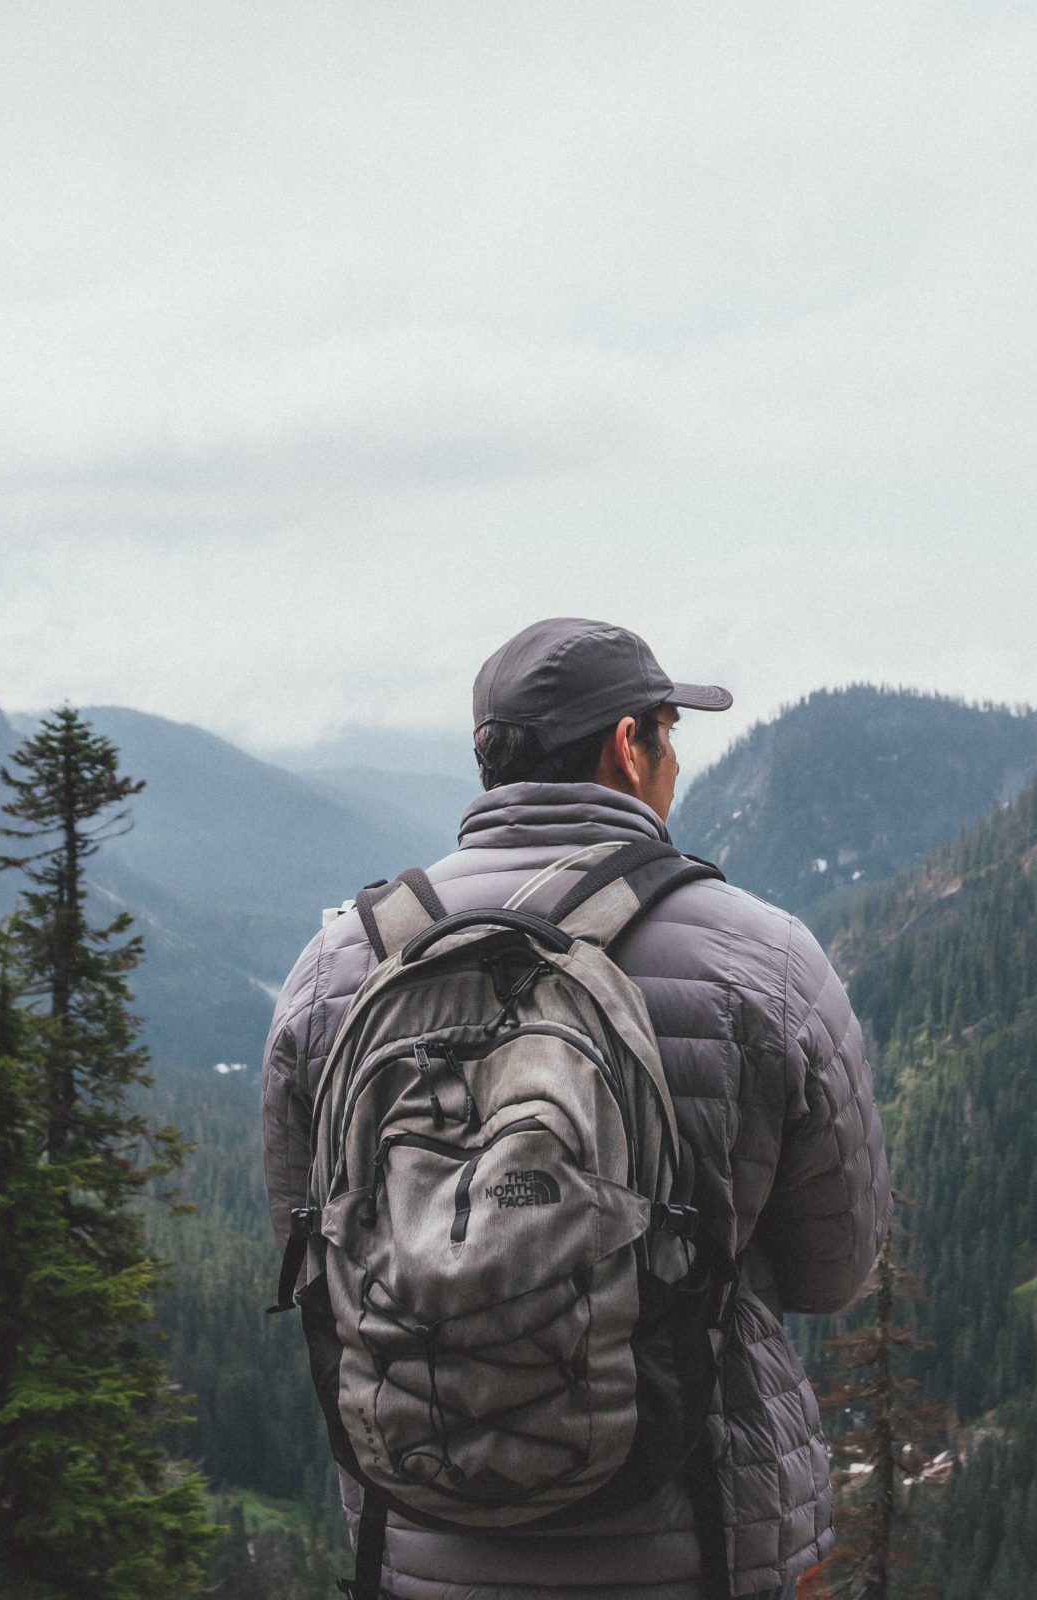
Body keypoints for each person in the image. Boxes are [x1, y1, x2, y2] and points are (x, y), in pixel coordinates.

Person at [262, 617, 892, 1600]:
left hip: (422, 1549)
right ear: (626, 744)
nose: (674, 761)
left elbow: (315, 1252)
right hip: (701, 1544)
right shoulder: (760, 961)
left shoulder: (337, 964)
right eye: (669, 733)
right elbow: (833, 1268)